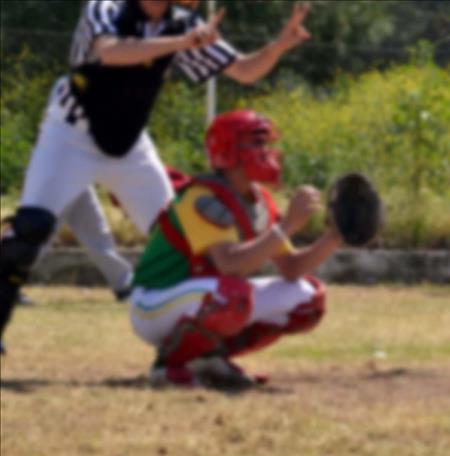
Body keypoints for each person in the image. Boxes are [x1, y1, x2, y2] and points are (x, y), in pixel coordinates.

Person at [0, 0, 313, 354]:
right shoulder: (105, 7)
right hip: (70, 136)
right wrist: (181, 42)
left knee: (188, 235)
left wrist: (280, 44)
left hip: (130, 144)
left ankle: (192, 346)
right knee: (27, 234)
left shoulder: (182, 23)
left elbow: (244, 70)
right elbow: (111, 51)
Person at [129, 110, 342, 388]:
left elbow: (292, 268)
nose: (265, 151)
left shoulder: (258, 199)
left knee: (308, 298)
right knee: (232, 295)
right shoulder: (201, 198)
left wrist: (335, 236)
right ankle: (170, 365)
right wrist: (287, 226)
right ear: (228, 151)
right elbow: (229, 264)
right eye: (255, 143)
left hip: (199, 297)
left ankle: (210, 359)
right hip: (154, 300)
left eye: (265, 143)